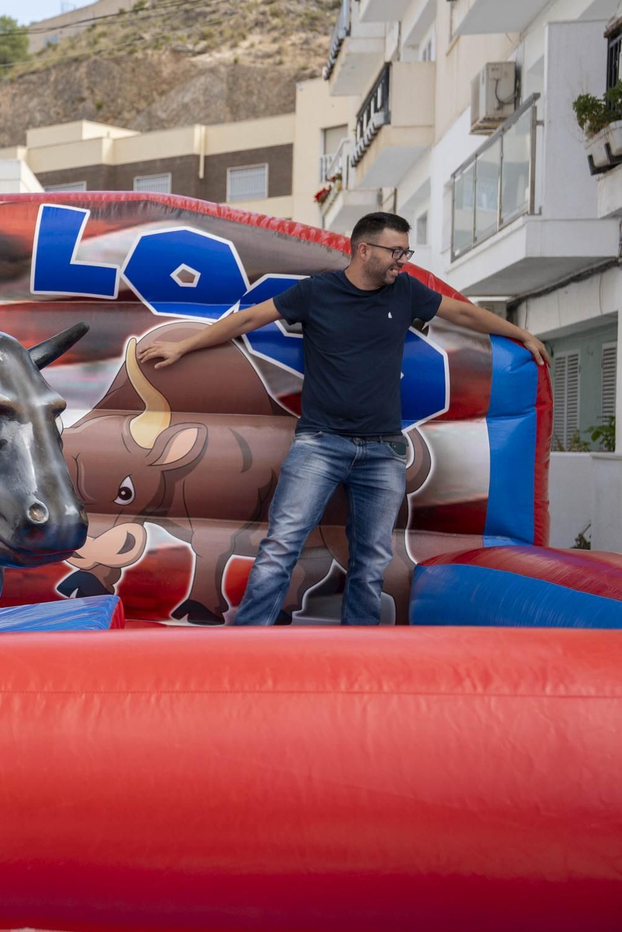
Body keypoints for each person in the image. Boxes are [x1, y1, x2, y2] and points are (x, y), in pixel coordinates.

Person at [138, 211, 549, 625]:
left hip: (384, 451)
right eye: (395, 251)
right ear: (364, 249)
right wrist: (183, 346)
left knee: (371, 563)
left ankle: (357, 654)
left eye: (406, 251)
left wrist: (521, 334)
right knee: (281, 547)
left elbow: (461, 314)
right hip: (320, 444)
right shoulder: (317, 292)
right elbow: (248, 319)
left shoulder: (405, 291)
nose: (401, 260)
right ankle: (247, 642)